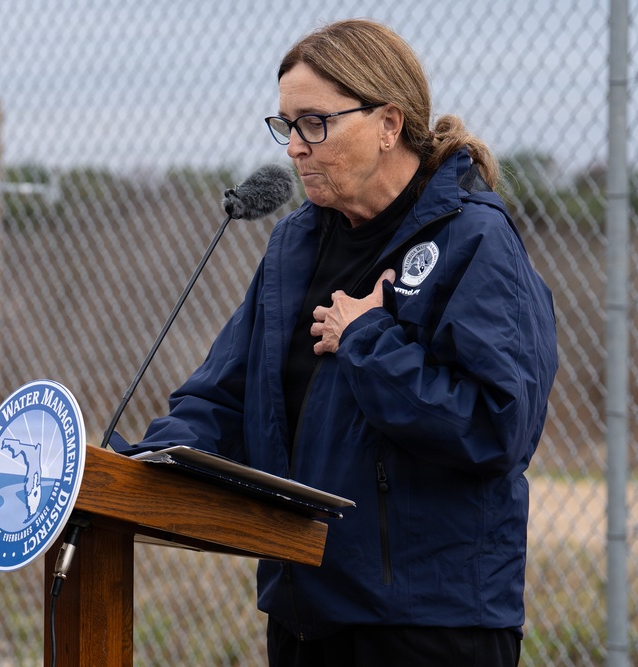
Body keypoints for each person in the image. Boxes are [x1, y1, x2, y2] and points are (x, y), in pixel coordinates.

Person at [129, 18, 558, 667]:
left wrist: (368, 339)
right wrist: (144, 465)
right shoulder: (294, 246)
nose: (294, 147)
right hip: (307, 614)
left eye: (314, 123)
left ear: (388, 124)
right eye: (285, 125)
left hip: (428, 626)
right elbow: (225, 394)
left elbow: (499, 426)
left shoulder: (473, 241)